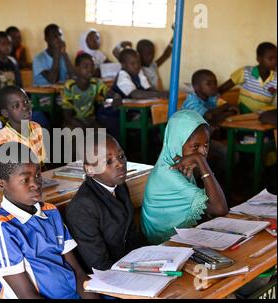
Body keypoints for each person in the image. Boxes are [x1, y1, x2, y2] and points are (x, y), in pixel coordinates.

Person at [0, 142, 100, 299]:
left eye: (37, 175)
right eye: (25, 180)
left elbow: (77, 273)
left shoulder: (50, 212)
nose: (35, 184)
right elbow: (27, 296)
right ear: (0, 184)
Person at [141, 110, 228, 245]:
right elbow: (219, 209)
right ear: (177, 142)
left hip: (181, 236)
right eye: (195, 146)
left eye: (206, 144)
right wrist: (201, 162)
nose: (203, 152)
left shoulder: (179, 163)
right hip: (163, 245)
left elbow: (210, 207)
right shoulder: (168, 173)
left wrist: (199, 160)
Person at [65, 133, 141, 273]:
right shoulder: (82, 208)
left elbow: (131, 234)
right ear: (90, 169)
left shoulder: (120, 186)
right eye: (108, 161)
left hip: (131, 265)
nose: (120, 164)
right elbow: (99, 264)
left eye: (121, 156)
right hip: (107, 276)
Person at [0, 86, 46, 164]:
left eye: (26, 102)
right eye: (16, 106)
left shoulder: (36, 127)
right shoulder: (3, 140)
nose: (24, 108)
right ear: (5, 113)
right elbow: (7, 173)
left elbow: (42, 162)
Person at [218, 42, 277, 113]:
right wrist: (223, 105)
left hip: (262, 118)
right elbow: (221, 89)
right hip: (242, 115)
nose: (275, 61)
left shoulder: (275, 78)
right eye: (271, 58)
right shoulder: (245, 72)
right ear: (259, 59)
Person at [62, 53, 108, 129]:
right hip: (73, 121)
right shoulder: (70, 85)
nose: (90, 69)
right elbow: (67, 115)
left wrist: (115, 96)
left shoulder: (96, 83)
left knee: (101, 134)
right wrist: (83, 127)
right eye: (85, 66)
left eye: (92, 66)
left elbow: (107, 93)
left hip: (90, 120)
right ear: (77, 69)